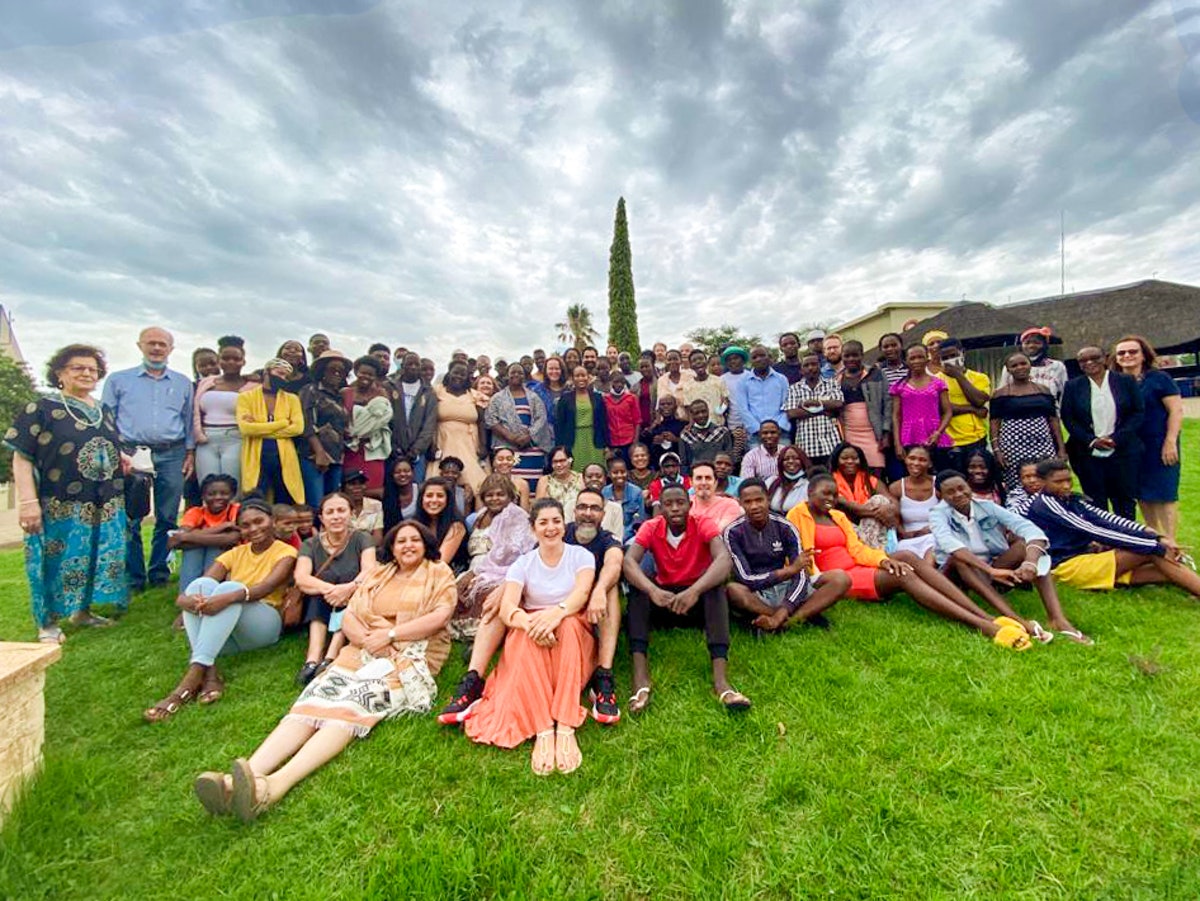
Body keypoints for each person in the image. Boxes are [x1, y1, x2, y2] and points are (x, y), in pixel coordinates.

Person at [194, 520, 456, 820]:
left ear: (425, 545)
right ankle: (238, 780)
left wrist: (392, 636)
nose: (408, 545)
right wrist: (371, 640)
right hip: (363, 648)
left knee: (351, 706)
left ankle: (274, 787)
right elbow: (351, 616)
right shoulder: (378, 574)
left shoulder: (438, 573)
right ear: (392, 548)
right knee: (311, 705)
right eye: (401, 541)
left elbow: (440, 615)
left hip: (411, 653)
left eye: (415, 540)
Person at [789, 475, 1031, 648]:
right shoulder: (798, 514)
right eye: (824, 494)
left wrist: (883, 561)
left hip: (856, 565)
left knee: (905, 557)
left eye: (834, 494)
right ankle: (983, 625)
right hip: (834, 577)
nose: (831, 498)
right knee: (903, 574)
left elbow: (857, 549)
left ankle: (987, 617)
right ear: (810, 494)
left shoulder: (838, 516)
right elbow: (800, 554)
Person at [463, 499, 597, 775]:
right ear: (534, 529)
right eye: (543, 522)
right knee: (525, 639)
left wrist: (556, 615)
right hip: (532, 621)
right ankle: (544, 728)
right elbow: (509, 607)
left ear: (564, 524)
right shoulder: (522, 564)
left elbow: (581, 594)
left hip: (570, 618)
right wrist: (531, 622)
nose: (551, 528)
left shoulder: (580, 556)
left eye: (556, 521)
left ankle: (566, 724)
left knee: (570, 628)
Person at [9, 344, 128, 642]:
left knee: (91, 556)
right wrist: (27, 502)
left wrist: (120, 458)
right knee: (55, 561)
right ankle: (47, 622)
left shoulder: (103, 410)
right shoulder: (42, 409)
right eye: (78, 368)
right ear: (60, 373)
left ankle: (82, 611)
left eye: (92, 369)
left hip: (104, 501)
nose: (87, 373)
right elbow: (22, 456)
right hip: (60, 503)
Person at [145, 497, 298, 722]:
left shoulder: (286, 553)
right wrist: (184, 600)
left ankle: (189, 682)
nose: (253, 529)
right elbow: (197, 588)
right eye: (246, 525)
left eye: (259, 521)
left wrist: (228, 597)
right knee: (200, 586)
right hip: (226, 634)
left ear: (272, 521)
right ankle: (210, 673)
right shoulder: (236, 553)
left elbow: (264, 588)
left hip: (264, 625)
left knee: (230, 587)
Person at [623, 485, 750, 712]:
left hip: (695, 602)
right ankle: (641, 680)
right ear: (660, 508)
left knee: (715, 588)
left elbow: (723, 559)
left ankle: (721, 683)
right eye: (668, 504)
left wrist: (694, 591)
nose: (674, 509)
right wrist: (653, 591)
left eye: (680, 503)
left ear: (690, 505)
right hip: (664, 601)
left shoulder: (703, 524)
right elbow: (629, 562)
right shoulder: (651, 527)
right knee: (638, 591)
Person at [930, 470, 1085, 644]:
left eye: (961, 488)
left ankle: (1057, 618)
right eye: (950, 492)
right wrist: (991, 570)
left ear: (968, 486)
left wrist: (1030, 563)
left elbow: (1029, 529)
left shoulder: (986, 506)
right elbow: (950, 545)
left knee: (1027, 547)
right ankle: (1018, 621)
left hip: (990, 568)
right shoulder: (938, 514)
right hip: (957, 575)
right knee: (959, 559)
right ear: (940, 495)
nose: (959, 494)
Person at [101, 326, 195, 592]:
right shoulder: (119, 380)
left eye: (162, 344)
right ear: (140, 345)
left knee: (167, 516)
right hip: (129, 453)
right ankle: (134, 576)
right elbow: (106, 419)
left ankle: (159, 571)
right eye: (151, 343)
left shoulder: (181, 382)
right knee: (131, 516)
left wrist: (189, 453)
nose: (156, 349)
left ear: (170, 349)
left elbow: (188, 421)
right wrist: (115, 451)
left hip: (171, 452)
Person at [1027, 459, 1200, 599]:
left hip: (1086, 558)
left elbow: (1108, 520)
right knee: (1152, 552)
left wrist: (1155, 535)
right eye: (1058, 482)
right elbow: (1093, 530)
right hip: (1065, 567)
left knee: (1162, 563)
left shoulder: (1072, 499)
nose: (1065, 486)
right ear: (1042, 482)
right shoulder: (1046, 504)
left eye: (1068, 480)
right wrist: (1154, 545)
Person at [723, 478, 851, 632]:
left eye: (759, 500)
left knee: (840, 578)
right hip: (757, 592)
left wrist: (783, 610)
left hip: (787, 586)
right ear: (740, 504)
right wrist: (789, 571)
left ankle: (784, 622)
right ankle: (802, 616)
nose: (755, 506)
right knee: (733, 590)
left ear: (768, 499)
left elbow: (801, 575)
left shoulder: (786, 526)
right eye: (748, 502)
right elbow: (746, 578)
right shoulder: (732, 532)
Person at [292, 491, 378, 685]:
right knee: (318, 588)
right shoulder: (310, 544)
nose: (336, 516)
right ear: (322, 518)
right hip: (323, 598)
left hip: (354, 595)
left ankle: (331, 655)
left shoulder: (362, 538)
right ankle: (312, 659)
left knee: (352, 584)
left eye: (341, 510)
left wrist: (347, 588)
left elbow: (370, 570)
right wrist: (332, 590)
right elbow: (302, 577)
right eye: (330, 512)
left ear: (351, 514)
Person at [1111, 335, 1183, 541]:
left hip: (1159, 442)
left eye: (1133, 352)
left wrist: (1170, 441)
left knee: (1164, 492)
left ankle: (1171, 541)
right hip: (1130, 445)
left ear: (1143, 355)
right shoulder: (1115, 382)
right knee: (1141, 493)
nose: (1127, 356)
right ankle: (1155, 538)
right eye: (1121, 353)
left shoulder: (1159, 379)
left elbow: (1176, 411)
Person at [1060, 346, 1143, 519]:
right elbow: (1068, 418)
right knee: (1095, 502)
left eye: (1095, 358)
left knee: (1124, 500)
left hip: (1123, 451)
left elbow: (1137, 412)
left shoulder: (1125, 381)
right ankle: (1103, 541)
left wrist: (1116, 439)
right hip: (1087, 453)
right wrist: (1091, 440)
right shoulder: (1073, 386)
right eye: (1083, 360)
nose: (1090, 362)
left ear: (1105, 358)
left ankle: (1128, 541)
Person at [564, 489, 625, 725]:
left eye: (594, 508)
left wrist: (598, 590)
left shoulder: (608, 540)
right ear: (574, 510)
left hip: (593, 611)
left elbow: (614, 563)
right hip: (561, 604)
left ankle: (604, 675)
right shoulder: (560, 533)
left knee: (610, 589)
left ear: (603, 513)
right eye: (583, 507)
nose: (588, 513)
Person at [453, 474, 535, 640]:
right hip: (476, 569)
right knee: (451, 591)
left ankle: (483, 633)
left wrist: (473, 575)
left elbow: (506, 556)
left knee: (485, 592)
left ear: (510, 496)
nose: (494, 499)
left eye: (500, 494)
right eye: (489, 495)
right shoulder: (480, 515)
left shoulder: (516, 517)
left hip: (504, 572)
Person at [989, 352, 1065, 493]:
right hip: (1013, 446)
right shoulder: (1000, 394)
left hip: (1043, 443)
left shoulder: (1043, 390)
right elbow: (994, 423)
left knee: (1046, 477)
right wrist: (996, 449)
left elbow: (1053, 420)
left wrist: (1061, 448)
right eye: (1014, 365)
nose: (1020, 368)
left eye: (1023, 363)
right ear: (1008, 369)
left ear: (1030, 365)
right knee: (1018, 480)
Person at [237, 358, 306, 505]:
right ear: (267, 372)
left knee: (285, 497)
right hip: (256, 453)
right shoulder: (246, 397)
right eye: (279, 373)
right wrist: (282, 423)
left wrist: (259, 427)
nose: (282, 378)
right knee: (255, 497)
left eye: (286, 376)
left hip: (283, 456)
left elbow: (298, 428)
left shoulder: (292, 399)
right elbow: (246, 428)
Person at [193, 336, 252, 487]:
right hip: (206, 440)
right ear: (219, 360)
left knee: (233, 488)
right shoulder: (206, 383)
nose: (231, 362)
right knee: (207, 488)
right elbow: (195, 412)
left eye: (236, 359)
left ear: (243, 361)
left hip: (235, 439)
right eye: (226, 358)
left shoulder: (252, 386)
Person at [486, 362, 553, 492]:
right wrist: (511, 437)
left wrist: (529, 436)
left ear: (524, 376)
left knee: (532, 488)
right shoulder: (497, 398)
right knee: (508, 487)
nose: (516, 375)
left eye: (520, 373)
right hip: (506, 448)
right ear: (507, 375)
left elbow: (541, 418)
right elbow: (490, 420)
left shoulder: (534, 397)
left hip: (531, 448)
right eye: (513, 372)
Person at [297, 349, 351, 509]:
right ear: (322, 371)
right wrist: (319, 452)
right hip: (313, 457)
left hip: (336, 457)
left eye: (341, 371)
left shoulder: (339, 396)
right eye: (332, 369)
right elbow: (306, 423)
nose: (337, 373)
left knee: (333, 503)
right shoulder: (310, 390)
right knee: (316, 503)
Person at [170, 474, 241, 589]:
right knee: (193, 551)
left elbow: (232, 538)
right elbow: (175, 541)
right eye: (211, 494)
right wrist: (223, 527)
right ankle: (188, 597)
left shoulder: (236, 510)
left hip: (228, 556)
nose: (218, 497)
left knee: (215, 548)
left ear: (232, 495)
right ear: (203, 496)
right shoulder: (196, 512)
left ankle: (207, 594)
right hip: (198, 554)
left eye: (224, 493)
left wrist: (186, 537)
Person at [889, 344, 951, 465]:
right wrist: (897, 443)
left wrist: (938, 432)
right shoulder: (899, 386)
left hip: (934, 435)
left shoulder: (938, 383)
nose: (916, 361)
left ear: (927, 359)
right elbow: (896, 416)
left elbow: (948, 411)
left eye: (920, 357)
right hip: (909, 436)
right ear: (906, 361)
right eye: (912, 358)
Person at [340, 356, 392, 499]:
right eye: (363, 372)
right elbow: (341, 418)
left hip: (373, 449)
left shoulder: (381, 393)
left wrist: (363, 429)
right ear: (356, 371)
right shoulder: (345, 392)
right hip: (351, 449)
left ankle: (372, 520)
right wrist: (352, 432)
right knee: (350, 489)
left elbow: (384, 419)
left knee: (374, 490)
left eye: (370, 374)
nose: (366, 377)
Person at [936, 338, 991, 473]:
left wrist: (958, 375)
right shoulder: (935, 380)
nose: (950, 360)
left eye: (953, 355)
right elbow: (942, 407)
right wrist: (972, 409)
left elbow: (978, 400)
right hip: (948, 442)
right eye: (945, 357)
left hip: (976, 438)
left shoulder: (980, 377)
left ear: (962, 353)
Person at [434, 361, 489, 492]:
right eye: (456, 373)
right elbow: (430, 419)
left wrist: (483, 445)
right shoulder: (437, 391)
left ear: (467, 377)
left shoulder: (474, 395)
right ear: (449, 373)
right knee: (441, 481)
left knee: (476, 483)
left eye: (462, 374)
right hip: (443, 441)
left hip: (469, 444)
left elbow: (481, 421)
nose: (458, 376)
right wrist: (432, 444)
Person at [830, 442, 897, 549]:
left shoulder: (869, 480)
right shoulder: (829, 482)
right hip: (845, 526)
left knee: (880, 500)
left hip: (871, 525)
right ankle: (873, 552)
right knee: (879, 506)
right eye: (844, 458)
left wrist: (890, 508)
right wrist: (881, 512)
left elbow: (893, 501)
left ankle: (871, 551)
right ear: (836, 461)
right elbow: (857, 510)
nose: (850, 462)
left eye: (854, 458)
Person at [837, 340, 890, 472]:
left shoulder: (876, 373)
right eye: (847, 356)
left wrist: (886, 433)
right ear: (842, 357)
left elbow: (888, 403)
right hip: (850, 432)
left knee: (876, 472)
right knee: (855, 470)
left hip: (874, 432)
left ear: (862, 355)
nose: (851, 359)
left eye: (855, 355)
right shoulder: (837, 379)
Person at [389, 351, 438, 485]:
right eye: (409, 364)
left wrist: (417, 449)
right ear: (402, 366)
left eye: (417, 364)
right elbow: (387, 421)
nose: (413, 367)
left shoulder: (428, 392)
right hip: (394, 450)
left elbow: (429, 423)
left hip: (417, 453)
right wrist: (393, 446)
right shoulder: (391, 387)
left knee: (417, 486)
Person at [785, 353, 842, 461]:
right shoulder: (793, 388)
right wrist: (823, 409)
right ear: (801, 370)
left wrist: (812, 403)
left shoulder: (832, 384)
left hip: (831, 444)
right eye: (806, 365)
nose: (810, 368)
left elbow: (838, 404)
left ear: (820, 367)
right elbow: (792, 413)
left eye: (814, 364)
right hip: (806, 446)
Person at [553, 366, 610, 474]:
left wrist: (607, 445)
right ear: (573, 379)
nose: (581, 378)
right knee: (576, 472)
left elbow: (604, 422)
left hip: (595, 441)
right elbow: (559, 425)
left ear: (588, 377)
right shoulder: (565, 399)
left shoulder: (597, 397)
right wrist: (560, 448)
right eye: (577, 376)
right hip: (573, 441)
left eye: (583, 375)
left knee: (596, 471)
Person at [889, 445, 939, 561]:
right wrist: (902, 532)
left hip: (935, 536)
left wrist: (932, 528)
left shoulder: (938, 485)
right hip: (908, 540)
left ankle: (929, 577)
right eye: (912, 458)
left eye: (922, 460)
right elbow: (894, 519)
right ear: (905, 459)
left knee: (933, 548)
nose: (916, 463)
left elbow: (948, 514)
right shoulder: (896, 487)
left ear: (930, 464)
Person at [736, 345, 790, 447]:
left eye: (762, 355)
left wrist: (778, 427)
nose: (759, 359)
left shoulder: (781, 379)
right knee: (757, 462)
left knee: (783, 461)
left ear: (769, 357)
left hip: (780, 432)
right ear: (750, 361)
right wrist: (758, 429)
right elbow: (743, 409)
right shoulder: (743, 382)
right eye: (754, 357)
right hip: (756, 434)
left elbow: (787, 404)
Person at [998, 327, 1068, 405]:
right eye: (1027, 343)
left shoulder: (1057, 366)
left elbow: (1064, 395)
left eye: (1036, 342)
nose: (1031, 346)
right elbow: (1002, 395)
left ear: (1045, 345)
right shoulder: (1012, 367)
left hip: (1049, 413)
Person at [415, 477, 468, 576]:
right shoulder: (414, 524)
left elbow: (440, 562)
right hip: (420, 574)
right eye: (429, 496)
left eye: (440, 496)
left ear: (448, 500)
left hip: (448, 576)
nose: (434, 500)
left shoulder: (457, 526)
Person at [680, 399, 733, 472]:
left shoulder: (722, 432)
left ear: (708, 411)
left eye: (703, 411)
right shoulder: (686, 435)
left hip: (718, 475)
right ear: (691, 415)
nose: (701, 415)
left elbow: (729, 457)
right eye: (697, 413)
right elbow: (684, 463)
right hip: (696, 477)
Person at [682, 348, 731, 426]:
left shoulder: (718, 381)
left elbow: (725, 400)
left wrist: (719, 411)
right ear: (691, 366)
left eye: (701, 359)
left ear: (706, 362)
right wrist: (691, 423)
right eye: (694, 361)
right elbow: (688, 408)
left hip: (718, 425)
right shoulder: (687, 386)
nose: (698, 362)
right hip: (699, 428)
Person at [688, 461, 743, 530]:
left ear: (715, 482)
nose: (704, 483)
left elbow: (717, 533)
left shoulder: (729, 505)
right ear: (691, 482)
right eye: (699, 478)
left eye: (708, 478)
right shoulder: (684, 505)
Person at [602, 457, 645, 542]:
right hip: (609, 534)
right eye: (615, 472)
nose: (619, 475)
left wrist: (623, 536)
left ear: (627, 473)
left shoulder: (637, 492)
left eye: (623, 472)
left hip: (630, 536)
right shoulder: (604, 492)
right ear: (609, 474)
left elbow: (639, 520)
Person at [603, 371, 641, 464]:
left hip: (628, 441)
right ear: (610, 382)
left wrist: (635, 442)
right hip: (612, 442)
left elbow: (637, 421)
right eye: (616, 382)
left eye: (622, 382)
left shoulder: (631, 398)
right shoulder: (604, 399)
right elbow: (603, 423)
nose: (619, 384)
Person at [641, 395, 688, 469]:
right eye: (662, 404)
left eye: (669, 404)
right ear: (659, 408)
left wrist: (675, 439)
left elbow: (688, 445)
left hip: (678, 464)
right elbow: (644, 443)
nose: (666, 406)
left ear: (675, 407)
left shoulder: (683, 424)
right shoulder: (654, 426)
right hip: (657, 466)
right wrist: (654, 441)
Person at [581, 463, 626, 537]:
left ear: (605, 480)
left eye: (598, 476)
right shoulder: (571, 505)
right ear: (583, 480)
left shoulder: (616, 508)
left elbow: (618, 539)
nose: (594, 479)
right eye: (589, 476)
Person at [765, 445, 811, 515]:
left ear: (802, 461)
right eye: (786, 459)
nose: (791, 461)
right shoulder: (771, 482)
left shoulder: (809, 484)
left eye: (795, 458)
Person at [342, 469, 384, 544]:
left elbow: (378, 537)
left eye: (361, 483)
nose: (357, 487)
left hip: (370, 549)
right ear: (344, 487)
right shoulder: (339, 507)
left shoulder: (376, 505)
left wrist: (366, 551)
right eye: (352, 484)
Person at [487, 446, 532, 511]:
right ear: (493, 462)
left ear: (514, 461)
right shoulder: (485, 483)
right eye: (500, 459)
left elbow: (524, 513)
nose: (505, 462)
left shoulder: (522, 484)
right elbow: (480, 513)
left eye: (509, 459)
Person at [382, 458, 420, 532]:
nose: (402, 474)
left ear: (413, 473)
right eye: (397, 472)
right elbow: (362, 491)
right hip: (394, 535)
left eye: (406, 471)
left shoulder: (420, 490)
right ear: (392, 475)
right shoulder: (386, 492)